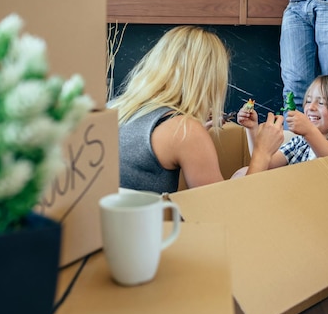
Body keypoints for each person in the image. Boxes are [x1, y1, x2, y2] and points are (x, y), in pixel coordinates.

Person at [107, 26, 285, 194]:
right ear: (209, 80)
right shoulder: (185, 131)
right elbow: (226, 211)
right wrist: (262, 152)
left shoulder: (113, 108)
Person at [236, 74, 328, 173]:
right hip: (293, 195)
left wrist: (310, 132)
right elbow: (264, 162)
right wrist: (252, 128)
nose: (311, 107)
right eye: (308, 101)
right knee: (243, 173)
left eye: (321, 103)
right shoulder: (300, 141)